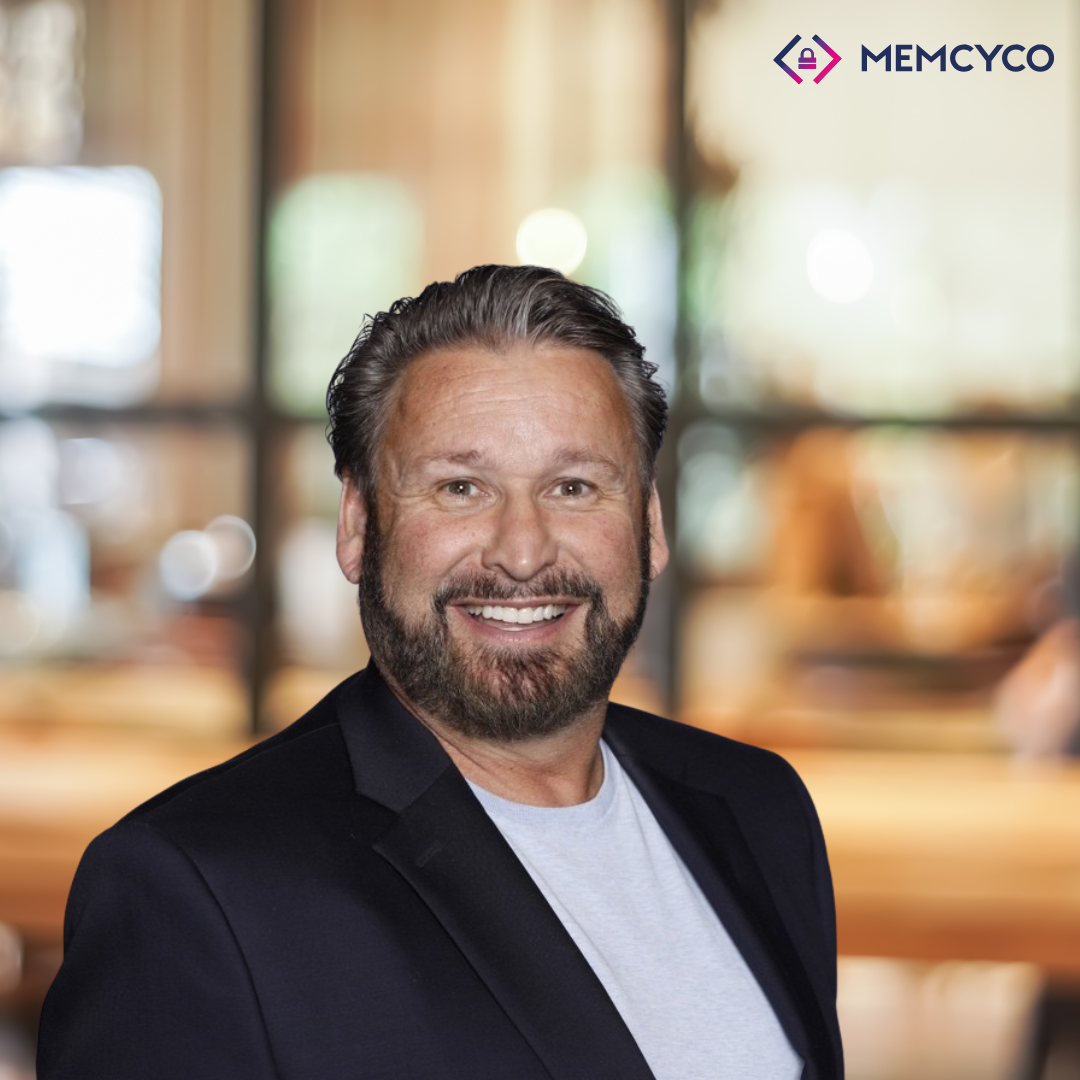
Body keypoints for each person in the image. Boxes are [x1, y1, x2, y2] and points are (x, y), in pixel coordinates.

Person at [37, 265, 843, 1079]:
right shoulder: (195, 888)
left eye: (573, 486)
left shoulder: (759, 809)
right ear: (358, 525)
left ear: (650, 524)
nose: (522, 551)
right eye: (461, 488)